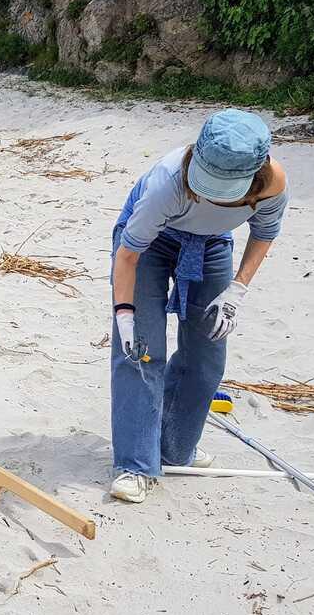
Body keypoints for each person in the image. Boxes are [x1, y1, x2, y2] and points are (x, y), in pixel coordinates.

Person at [108, 109, 289, 503]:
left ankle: (175, 449)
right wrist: (125, 313)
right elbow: (128, 256)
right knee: (141, 351)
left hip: (211, 244)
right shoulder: (166, 183)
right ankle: (135, 464)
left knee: (207, 354)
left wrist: (237, 290)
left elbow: (264, 233)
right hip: (150, 246)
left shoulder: (273, 182)